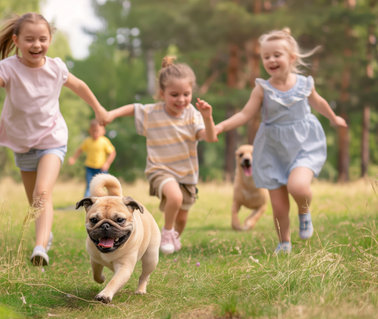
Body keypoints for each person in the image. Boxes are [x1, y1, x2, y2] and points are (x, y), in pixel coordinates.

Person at [0, 12, 107, 266]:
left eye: (42, 38)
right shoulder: (8, 68)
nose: (36, 45)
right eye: (29, 39)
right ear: (16, 40)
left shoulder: (56, 68)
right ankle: (45, 234)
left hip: (52, 138)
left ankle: (40, 248)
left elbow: (80, 86)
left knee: (42, 193)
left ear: (50, 39)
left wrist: (99, 109)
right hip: (21, 142)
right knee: (35, 203)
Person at [214, 28, 347, 254]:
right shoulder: (262, 88)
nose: (271, 60)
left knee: (298, 186)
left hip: (303, 144)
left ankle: (304, 212)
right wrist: (221, 125)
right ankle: (284, 242)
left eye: (277, 55)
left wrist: (333, 118)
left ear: (291, 58)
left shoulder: (305, 84)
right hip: (273, 149)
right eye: (266, 57)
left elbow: (319, 102)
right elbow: (245, 114)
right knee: (277, 205)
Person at [104, 56, 218, 254]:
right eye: (174, 94)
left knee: (182, 218)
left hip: (187, 174)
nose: (181, 100)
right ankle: (166, 232)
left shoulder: (193, 114)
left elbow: (208, 137)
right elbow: (133, 108)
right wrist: (110, 114)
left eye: (186, 94)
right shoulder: (153, 112)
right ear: (162, 93)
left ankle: (172, 237)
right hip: (160, 169)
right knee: (174, 197)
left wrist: (208, 118)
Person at [68, 119, 116, 197]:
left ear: (103, 131)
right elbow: (79, 150)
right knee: (90, 185)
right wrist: (73, 158)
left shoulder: (104, 141)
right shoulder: (87, 141)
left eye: (97, 131)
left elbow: (112, 153)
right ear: (89, 131)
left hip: (101, 168)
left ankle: (109, 200)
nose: (95, 133)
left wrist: (107, 163)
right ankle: (87, 202)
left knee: (105, 185)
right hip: (90, 168)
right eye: (93, 131)